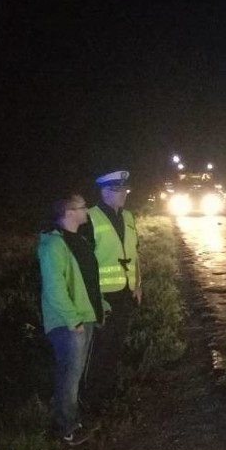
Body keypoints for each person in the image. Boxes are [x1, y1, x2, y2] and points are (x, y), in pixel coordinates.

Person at [38, 193, 104, 445]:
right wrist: (72, 319)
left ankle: (73, 417)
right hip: (67, 323)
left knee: (74, 374)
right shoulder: (53, 245)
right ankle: (67, 428)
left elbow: (87, 281)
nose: (87, 210)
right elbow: (55, 288)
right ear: (69, 213)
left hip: (82, 317)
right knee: (69, 373)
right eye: (82, 207)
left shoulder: (80, 240)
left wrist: (99, 306)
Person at [81, 170, 141, 405]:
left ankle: (107, 392)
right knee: (99, 348)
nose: (124, 195)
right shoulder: (89, 219)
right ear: (105, 191)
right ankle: (90, 398)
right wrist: (92, 297)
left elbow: (135, 253)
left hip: (126, 293)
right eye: (119, 191)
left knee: (116, 345)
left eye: (126, 190)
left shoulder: (128, 216)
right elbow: (83, 263)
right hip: (103, 295)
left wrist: (138, 284)